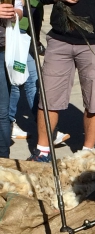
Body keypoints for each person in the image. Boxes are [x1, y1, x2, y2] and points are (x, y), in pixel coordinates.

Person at [27, 0, 95, 162]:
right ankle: (42, 151)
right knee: (48, 98)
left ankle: (87, 152)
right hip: (59, 38)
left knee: (94, 100)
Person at [9, 0, 69, 146]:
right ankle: (49, 132)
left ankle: (11, 124)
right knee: (26, 80)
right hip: (17, 29)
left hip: (25, 31)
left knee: (23, 81)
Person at [0, 0, 23, 159]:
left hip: (4, 50)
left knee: (2, 111)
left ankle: (3, 162)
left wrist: (15, 14)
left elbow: (20, 8)